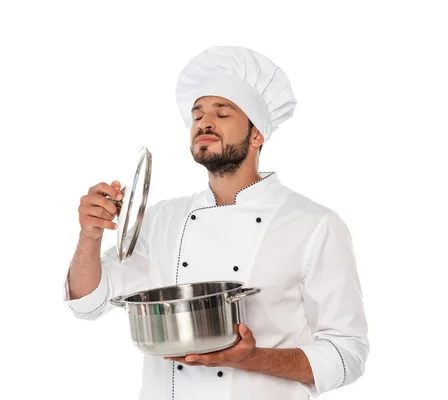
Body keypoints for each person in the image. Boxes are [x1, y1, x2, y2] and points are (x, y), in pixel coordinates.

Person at [63, 46, 369, 400]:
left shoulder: (314, 225)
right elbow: (87, 304)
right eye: (197, 115)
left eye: (222, 113)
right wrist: (90, 235)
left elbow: (348, 352)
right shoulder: (161, 219)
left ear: (257, 135)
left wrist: (253, 359)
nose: (204, 122)